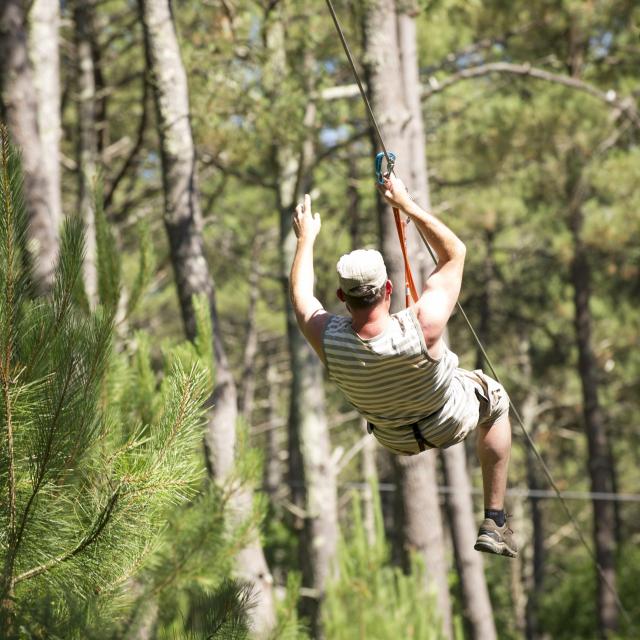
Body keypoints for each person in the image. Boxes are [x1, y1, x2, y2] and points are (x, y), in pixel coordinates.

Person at [289, 174, 516, 558]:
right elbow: (455, 253)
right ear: (388, 289)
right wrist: (406, 204)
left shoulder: (327, 337)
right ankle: (494, 519)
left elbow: (300, 294)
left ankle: (494, 519)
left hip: (395, 439)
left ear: (342, 296)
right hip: (448, 420)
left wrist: (306, 238)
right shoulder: (422, 323)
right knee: (494, 398)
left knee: (438, 384)